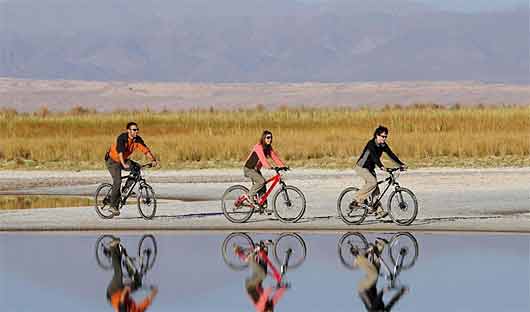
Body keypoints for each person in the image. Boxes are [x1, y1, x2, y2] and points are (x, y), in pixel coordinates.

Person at [352, 125, 406, 219]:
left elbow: (391, 154)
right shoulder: (371, 144)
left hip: (370, 168)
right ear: (377, 135)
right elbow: (374, 157)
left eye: (385, 137)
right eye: (382, 136)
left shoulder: (383, 145)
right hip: (361, 167)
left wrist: (400, 164)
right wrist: (381, 167)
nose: (384, 138)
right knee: (372, 182)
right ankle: (357, 199)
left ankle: (379, 212)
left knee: (376, 190)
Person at [105, 122, 158, 216]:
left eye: (137, 129)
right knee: (117, 181)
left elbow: (145, 150)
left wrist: (153, 160)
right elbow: (120, 152)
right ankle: (112, 206)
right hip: (113, 160)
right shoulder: (122, 138)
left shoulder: (137, 139)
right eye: (134, 130)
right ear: (128, 130)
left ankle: (125, 189)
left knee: (136, 168)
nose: (136, 131)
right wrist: (123, 164)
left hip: (123, 160)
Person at [350, 238, 408, 311]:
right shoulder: (385, 311)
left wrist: (384, 290)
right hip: (372, 287)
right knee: (377, 265)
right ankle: (379, 245)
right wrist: (401, 292)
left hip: (363, 289)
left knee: (374, 274)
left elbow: (378, 298)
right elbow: (392, 302)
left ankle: (358, 259)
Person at [106, 237, 158, 312]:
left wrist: (127, 289)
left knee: (119, 274)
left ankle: (113, 247)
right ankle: (127, 262)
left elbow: (122, 298)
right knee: (138, 283)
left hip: (113, 293)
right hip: (122, 292)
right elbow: (145, 304)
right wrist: (153, 294)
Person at [235, 242, 287, 312]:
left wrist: (270, 289)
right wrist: (283, 288)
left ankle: (248, 258)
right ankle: (262, 249)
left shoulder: (261, 309)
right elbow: (276, 298)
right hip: (257, 284)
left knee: (262, 274)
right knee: (264, 265)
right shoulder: (270, 307)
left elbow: (263, 298)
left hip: (251, 286)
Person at [243, 130, 286, 210]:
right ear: (263, 138)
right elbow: (262, 159)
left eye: (271, 137)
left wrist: (283, 166)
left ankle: (262, 206)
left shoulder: (268, 148)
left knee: (263, 186)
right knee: (261, 181)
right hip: (249, 169)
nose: (270, 139)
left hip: (256, 170)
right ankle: (249, 196)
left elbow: (275, 157)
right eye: (268, 137)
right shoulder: (258, 146)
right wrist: (269, 167)